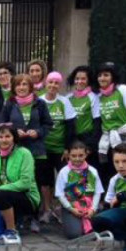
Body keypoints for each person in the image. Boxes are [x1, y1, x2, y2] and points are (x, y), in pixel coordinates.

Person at [0, 73, 53, 232]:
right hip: (16, 150)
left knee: (35, 184)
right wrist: (14, 130)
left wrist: (39, 132)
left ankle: (35, 217)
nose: (21, 88)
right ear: (14, 87)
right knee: (17, 183)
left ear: (30, 87)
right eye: (18, 85)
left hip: (37, 150)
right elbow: (0, 123)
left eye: (25, 85)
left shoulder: (40, 103)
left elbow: (48, 124)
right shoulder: (10, 104)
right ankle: (20, 217)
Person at [0, 125, 39, 240]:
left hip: (26, 196)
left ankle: (12, 231)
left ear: (14, 137)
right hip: (2, 194)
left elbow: (25, 183)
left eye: (7, 136)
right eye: (1, 137)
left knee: (0, 195)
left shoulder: (24, 153)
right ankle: (6, 224)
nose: (4, 140)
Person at [40, 71, 77, 224]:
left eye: (56, 83)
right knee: (45, 181)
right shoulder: (39, 101)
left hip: (60, 149)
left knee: (65, 180)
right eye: (51, 82)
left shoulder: (64, 102)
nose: (53, 85)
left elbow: (70, 126)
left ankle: (64, 210)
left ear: (59, 85)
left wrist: (68, 148)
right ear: (45, 84)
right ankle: (47, 210)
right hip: (43, 148)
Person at [96, 62, 126, 188]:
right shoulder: (100, 95)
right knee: (109, 170)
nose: (102, 78)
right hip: (108, 140)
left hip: (124, 137)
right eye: (99, 75)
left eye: (106, 75)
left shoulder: (123, 90)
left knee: (125, 170)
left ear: (112, 77)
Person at [55, 141, 104, 239]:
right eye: (74, 156)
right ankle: (74, 223)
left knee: (100, 229)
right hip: (71, 207)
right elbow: (60, 194)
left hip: (89, 207)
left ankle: (84, 224)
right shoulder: (64, 172)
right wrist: (71, 209)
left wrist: (93, 209)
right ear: (68, 155)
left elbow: (97, 192)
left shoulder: (93, 171)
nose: (77, 158)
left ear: (86, 154)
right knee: (74, 234)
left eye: (81, 155)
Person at [66, 66, 101, 167]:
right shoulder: (68, 98)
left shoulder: (94, 97)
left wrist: (91, 146)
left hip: (87, 140)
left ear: (88, 80)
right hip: (73, 140)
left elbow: (97, 123)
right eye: (77, 78)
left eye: (83, 79)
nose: (79, 81)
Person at [0, 61, 16, 131]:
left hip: (14, 132)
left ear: (12, 75)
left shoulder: (17, 91)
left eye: (5, 73)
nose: (2, 76)